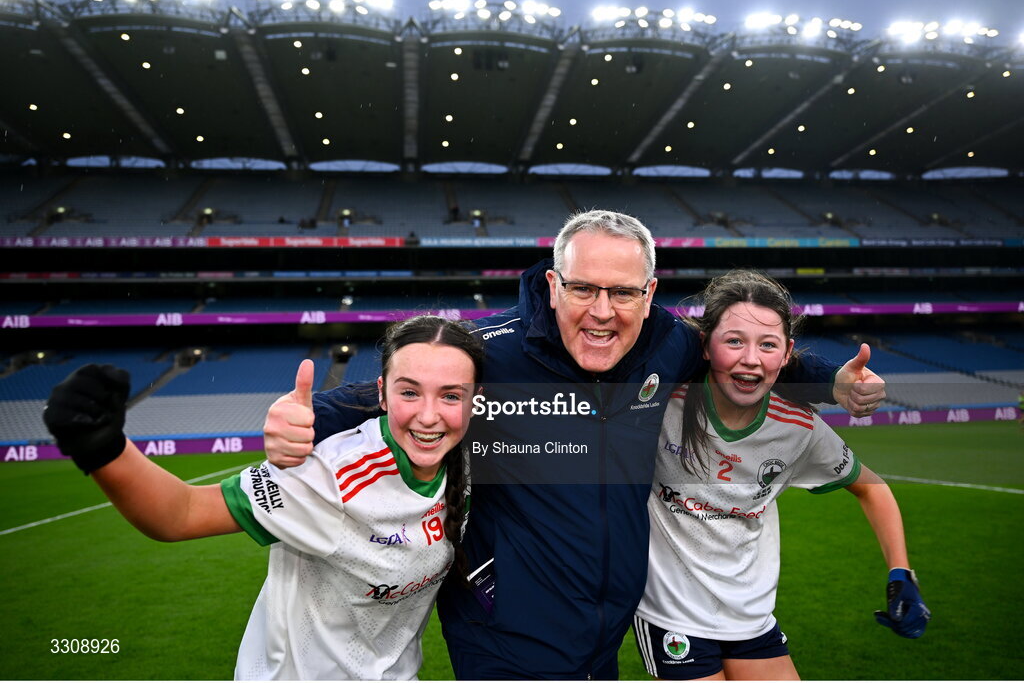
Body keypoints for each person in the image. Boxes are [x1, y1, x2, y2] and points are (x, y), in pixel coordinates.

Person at [263, 210, 887, 679]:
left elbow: (739, 351)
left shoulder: (668, 342)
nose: (602, 311)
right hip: (505, 631)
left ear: (650, 292)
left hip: (602, 633)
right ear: (554, 284)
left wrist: (831, 380)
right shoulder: (491, 353)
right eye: (584, 288)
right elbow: (390, 392)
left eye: (622, 293)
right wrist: (302, 419)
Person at [41, 315, 483, 680]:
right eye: (409, 391)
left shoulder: (472, 462)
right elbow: (182, 513)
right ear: (381, 394)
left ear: (474, 401)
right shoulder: (336, 476)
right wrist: (101, 446)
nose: (429, 415)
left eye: (450, 396)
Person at [633, 271, 929, 680]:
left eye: (767, 345)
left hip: (752, 618)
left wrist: (901, 572)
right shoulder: (658, 406)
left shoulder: (798, 429)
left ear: (787, 354)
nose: (751, 359)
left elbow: (871, 488)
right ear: (705, 345)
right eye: (734, 340)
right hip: (673, 618)